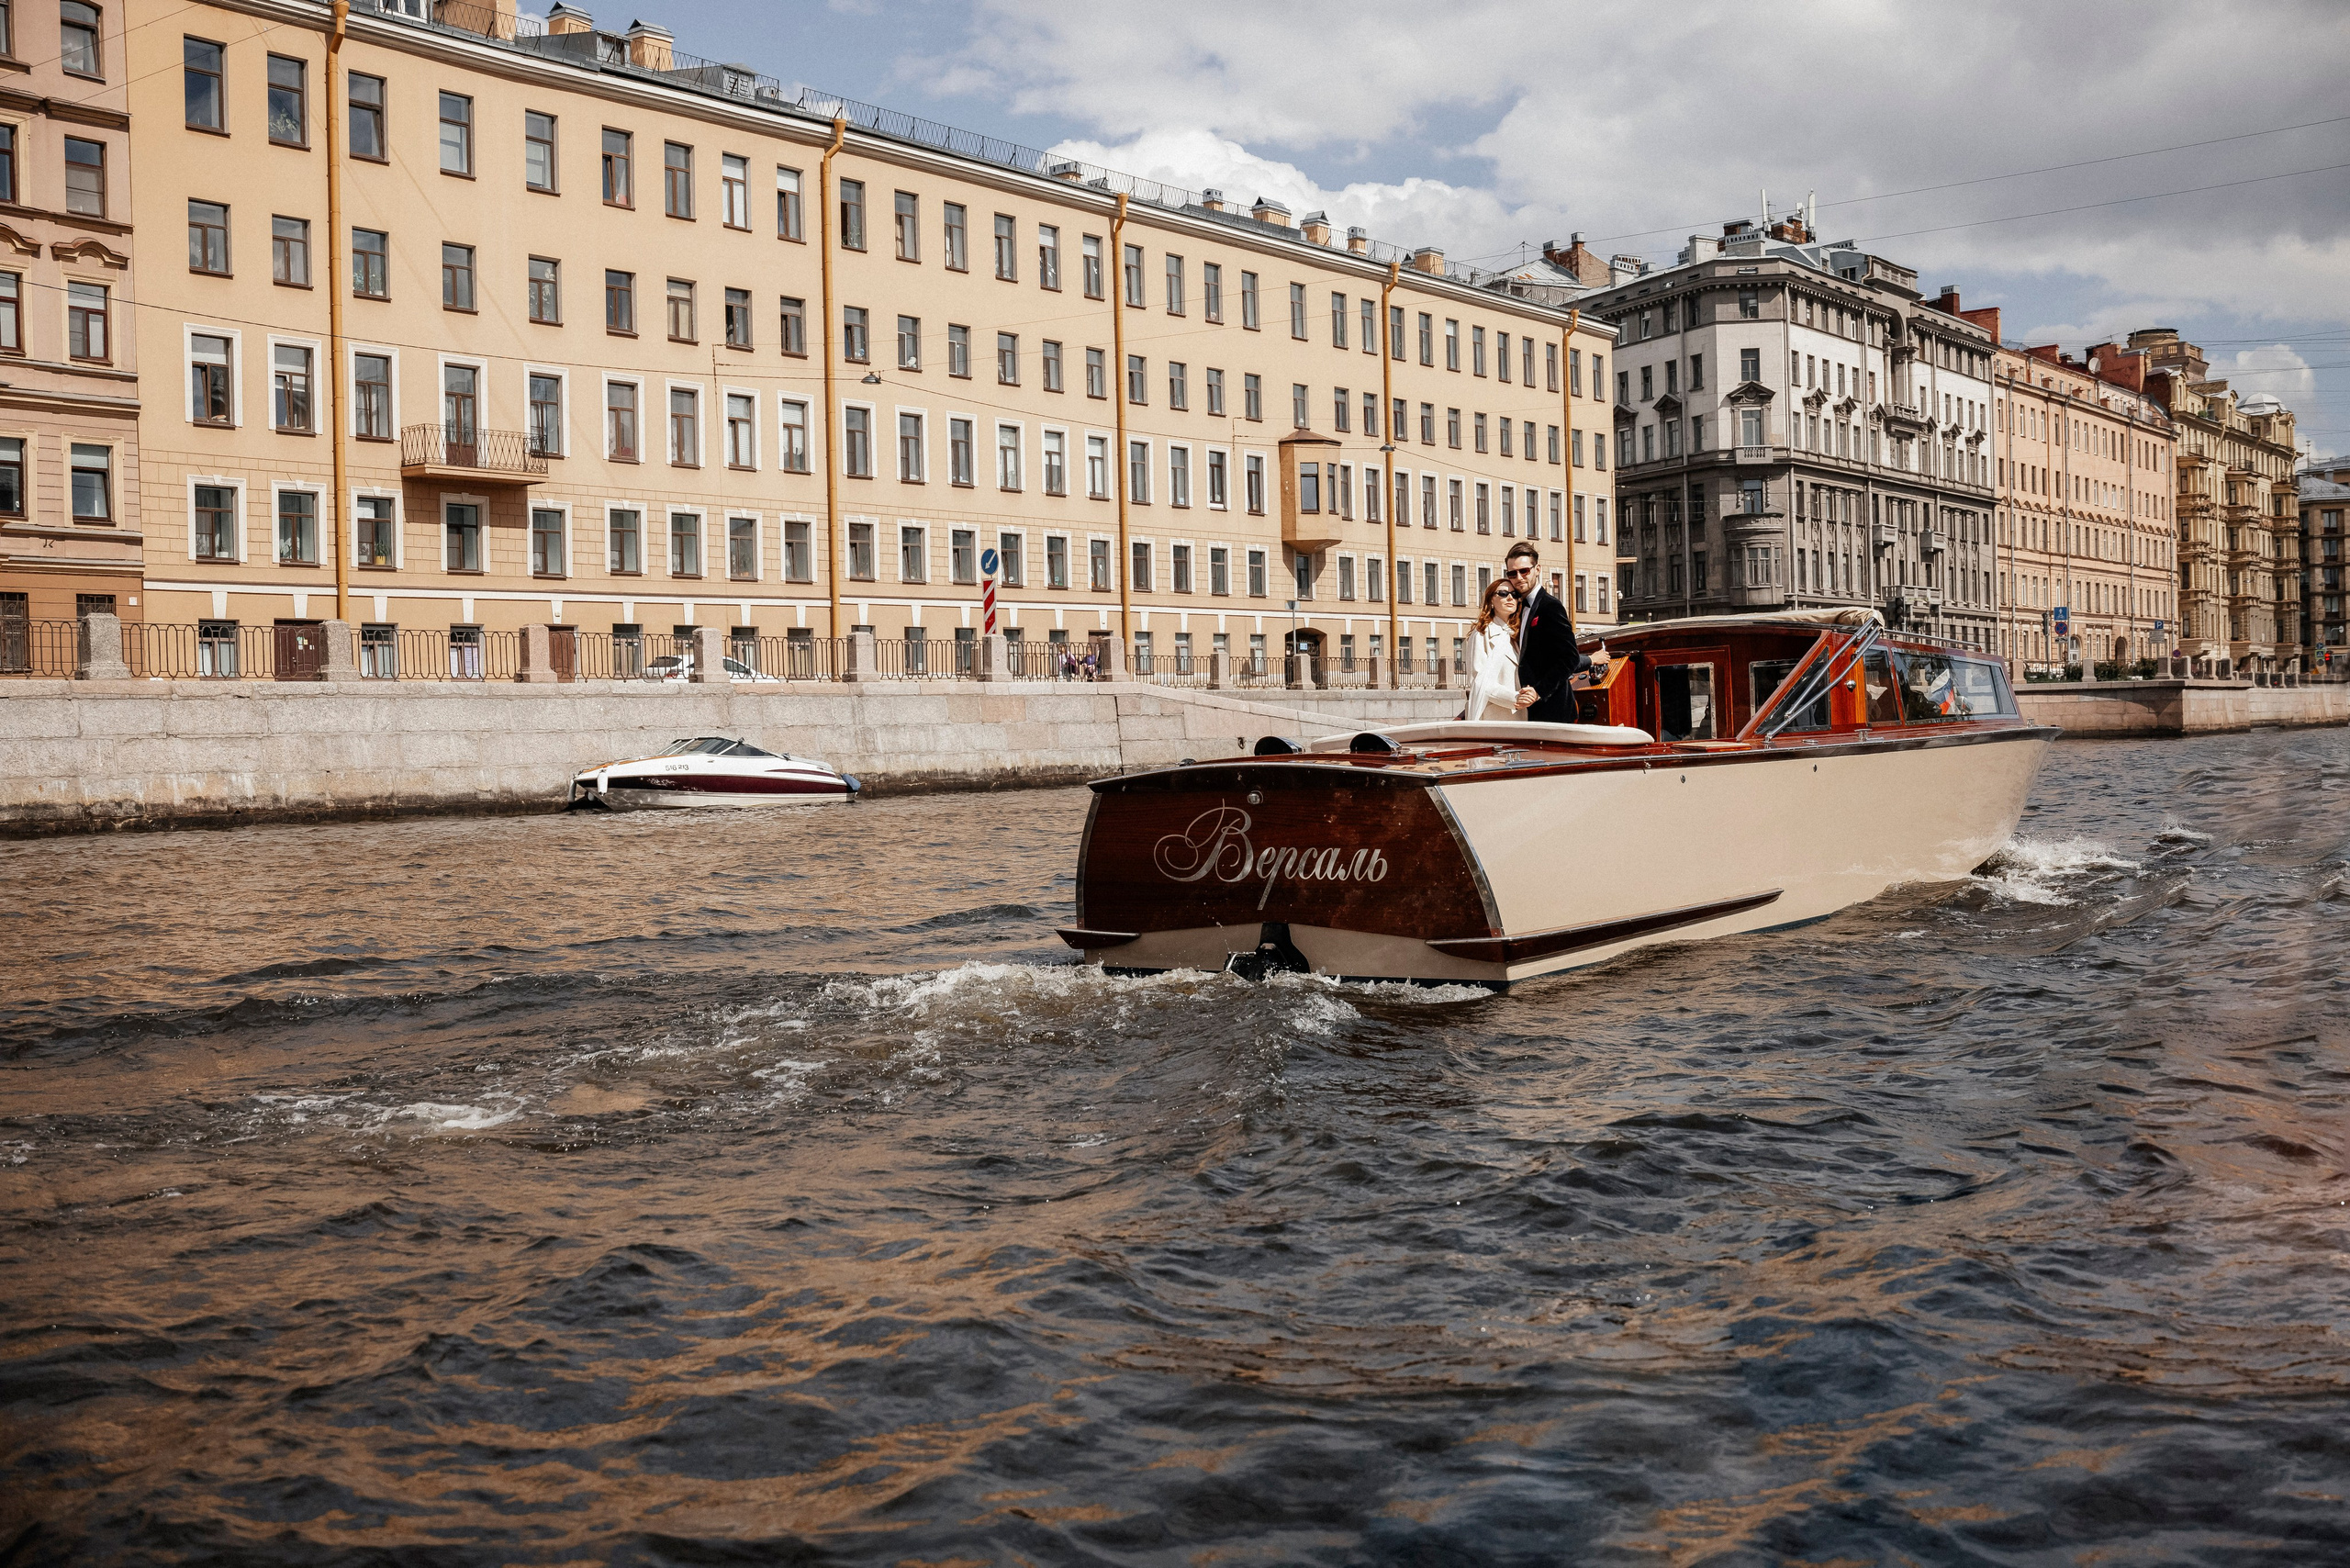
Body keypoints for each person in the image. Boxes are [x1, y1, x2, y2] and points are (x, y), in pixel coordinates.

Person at [1504, 542, 1607, 722]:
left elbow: (1569, 658)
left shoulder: (1551, 606)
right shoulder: (1516, 608)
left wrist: (1538, 691)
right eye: (1512, 573)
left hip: (1553, 710)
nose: (1518, 578)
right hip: (1526, 710)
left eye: (1524, 571)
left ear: (1537, 569)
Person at [1464, 577, 1530, 720]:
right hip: (1493, 716)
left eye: (1514, 594)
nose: (1510, 598)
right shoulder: (1481, 634)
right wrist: (1514, 698)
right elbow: (1478, 681)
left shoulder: (1517, 635)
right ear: (1491, 600)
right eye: (1503, 594)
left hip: (1519, 715)